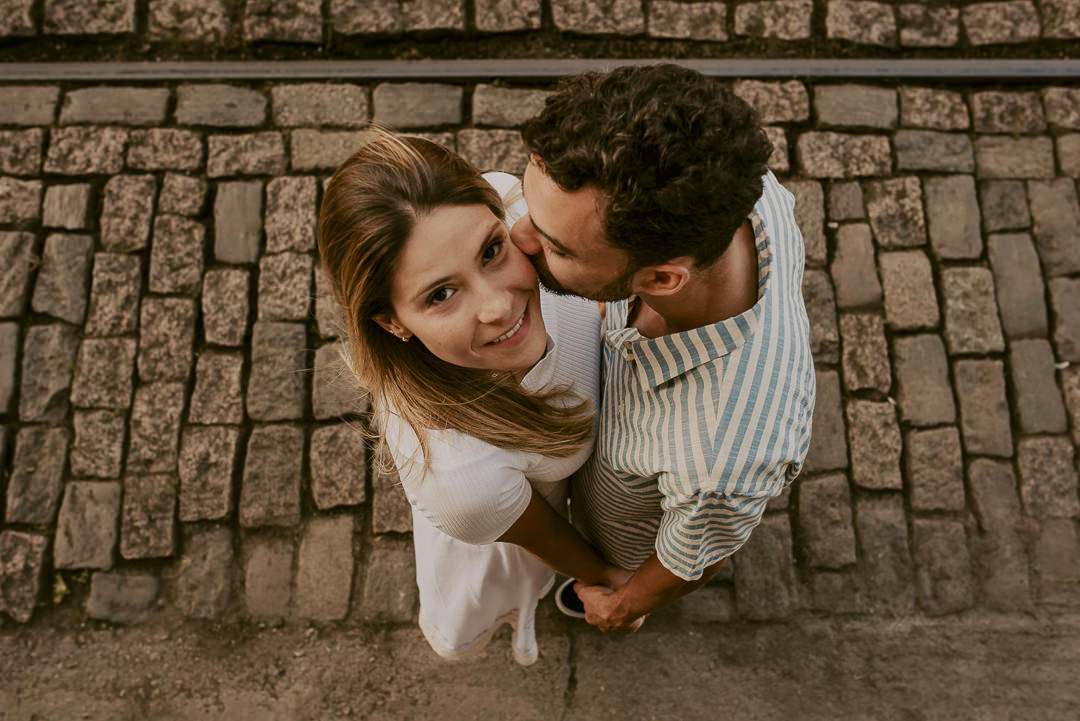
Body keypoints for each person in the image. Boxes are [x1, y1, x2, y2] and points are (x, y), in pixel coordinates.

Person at [509, 64, 816, 632]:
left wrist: (621, 604)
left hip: (622, 530)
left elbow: (690, 558)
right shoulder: (729, 187)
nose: (518, 237)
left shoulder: (723, 458)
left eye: (555, 248)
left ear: (661, 280)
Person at [318, 130, 630, 665]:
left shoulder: (508, 200)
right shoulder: (462, 479)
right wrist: (609, 585)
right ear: (393, 322)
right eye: (441, 294)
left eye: (491, 251)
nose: (497, 307)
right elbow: (553, 540)